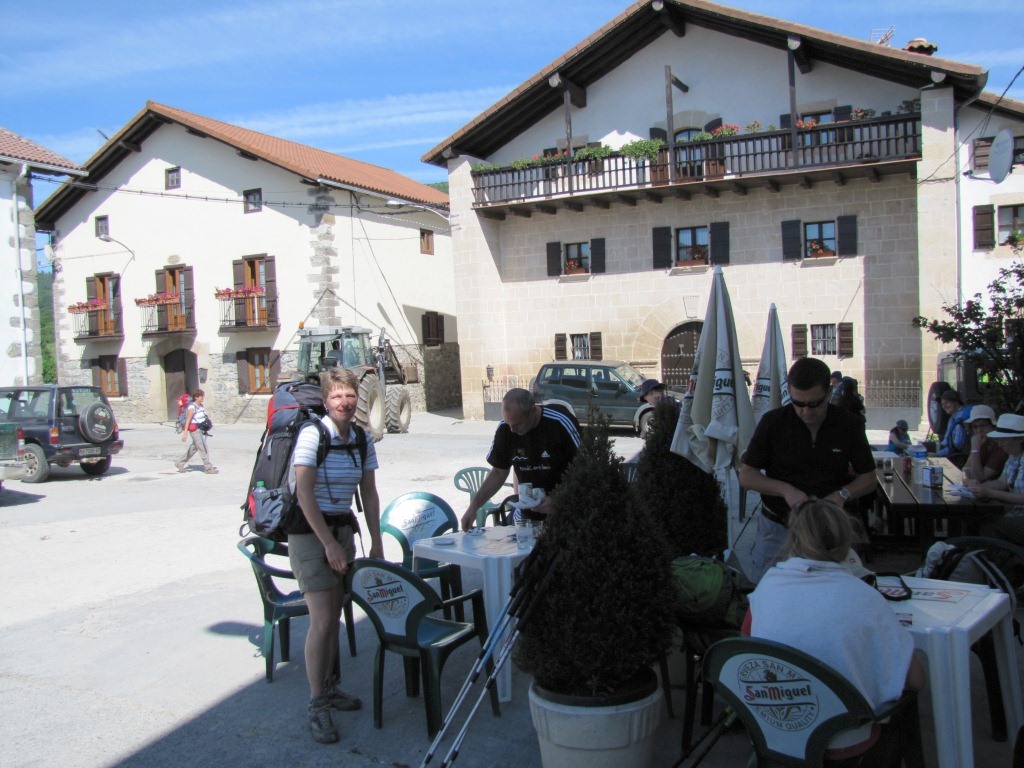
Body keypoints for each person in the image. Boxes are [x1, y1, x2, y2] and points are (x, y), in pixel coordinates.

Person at [746, 500, 926, 766]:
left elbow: (749, 646)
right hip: (844, 739)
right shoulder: (864, 597)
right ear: (846, 543)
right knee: (903, 705)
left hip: (777, 734)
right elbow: (915, 680)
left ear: (793, 539)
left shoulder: (766, 587)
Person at [290, 368, 383, 744]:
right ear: (325, 401)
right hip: (310, 533)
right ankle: (317, 705)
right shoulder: (312, 434)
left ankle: (328, 688)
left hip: (343, 530)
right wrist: (327, 543)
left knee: (336, 614)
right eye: (336, 396)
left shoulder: (362, 438)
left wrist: (376, 541)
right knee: (324, 620)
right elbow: (303, 493)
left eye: (349, 395)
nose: (344, 402)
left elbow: (370, 493)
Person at [739, 357, 876, 583]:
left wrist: (842, 495)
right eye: (798, 403)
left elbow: (869, 478)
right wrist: (785, 490)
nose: (806, 412)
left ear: (829, 392)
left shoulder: (848, 424)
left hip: (830, 531)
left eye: (814, 404)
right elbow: (747, 476)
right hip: (778, 527)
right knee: (769, 589)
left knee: (835, 592)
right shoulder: (773, 422)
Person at [460, 388, 581, 530]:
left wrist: (560, 498)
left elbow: (588, 468)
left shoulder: (559, 422)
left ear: (533, 411)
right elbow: (498, 473)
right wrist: (473, 508)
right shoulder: (505, 429)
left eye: (517, 425)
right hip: (527, 515)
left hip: (565, 514)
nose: (512, 430)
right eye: (508, 423)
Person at [966, 413, 1024, 545]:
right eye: (998, 440)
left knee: (990, 525)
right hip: (1016, 511)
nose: (1000, 444)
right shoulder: (1014, 457)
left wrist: (990, 493)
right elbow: (1002, 482)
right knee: (975, 518)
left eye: (1004, 440)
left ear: (1020, 439)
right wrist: (976, 488)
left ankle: (991, 557)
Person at [174, 389, 217, 474]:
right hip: (195, 431)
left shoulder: (200, 406)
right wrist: (185, 433)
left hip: (201, 430)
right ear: (196, 397)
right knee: (202, 448)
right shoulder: (192, 407)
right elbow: (188, 420)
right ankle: (208, 468)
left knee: (194, 448)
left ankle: (180, 463)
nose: (203, 397)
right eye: (201, 396)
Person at [963, 405, 1008, 483]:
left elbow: (981, 477)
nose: (979, 430)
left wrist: (975, 449)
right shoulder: (982, 443)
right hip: (980, 487)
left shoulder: (1000, 446)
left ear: (992, 426)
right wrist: (974, 449)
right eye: (975, 427)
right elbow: (966, 471)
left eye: (983, 425)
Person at [934, 389, 972, 467]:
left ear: (956, 402)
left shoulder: (960, 419)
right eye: (942, 404)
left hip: (961, 460)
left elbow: (956, 446)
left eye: (946, 403)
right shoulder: (952, 418)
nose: (944, 406)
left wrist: (937, 454)